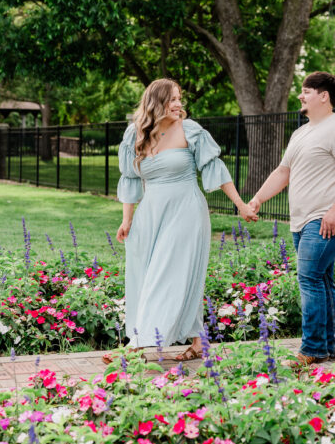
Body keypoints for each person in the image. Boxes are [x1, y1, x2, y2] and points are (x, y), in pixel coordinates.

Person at [103, 78, 257, 363]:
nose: (179, 104)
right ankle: (198, 343)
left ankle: (137, 345)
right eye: (173, 99)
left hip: (186, 211)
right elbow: (129, 180)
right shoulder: (133, 135)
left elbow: (215, 169)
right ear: (156, 102)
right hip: (150, 214)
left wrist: (240, 205)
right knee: (147, 275)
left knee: (167, 273)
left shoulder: (190, 131)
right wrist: (127, 220)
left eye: (179, 98)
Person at [249, 71, 335, 366]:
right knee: (322, 280)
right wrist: (259, 198)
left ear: (323, 95)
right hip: (299, 221)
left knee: (309, 278)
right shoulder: (301, 133)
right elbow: (283, 172)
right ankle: (329, 347)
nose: (301, 95)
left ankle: (311, 349)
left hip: (322, 219)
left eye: (306, 90)